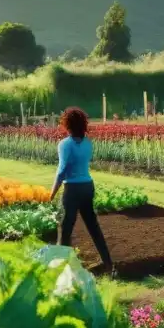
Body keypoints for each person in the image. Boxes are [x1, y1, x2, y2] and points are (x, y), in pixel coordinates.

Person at [50, 107, 113, 274]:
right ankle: (108, 263)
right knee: (92, 225)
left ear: (67, 124)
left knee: (65, 228)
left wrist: (53, 192)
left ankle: (61, 266)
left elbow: (62, 170)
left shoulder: (64, 145)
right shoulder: (87, 143)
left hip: (72, 189)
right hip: (87, 186)